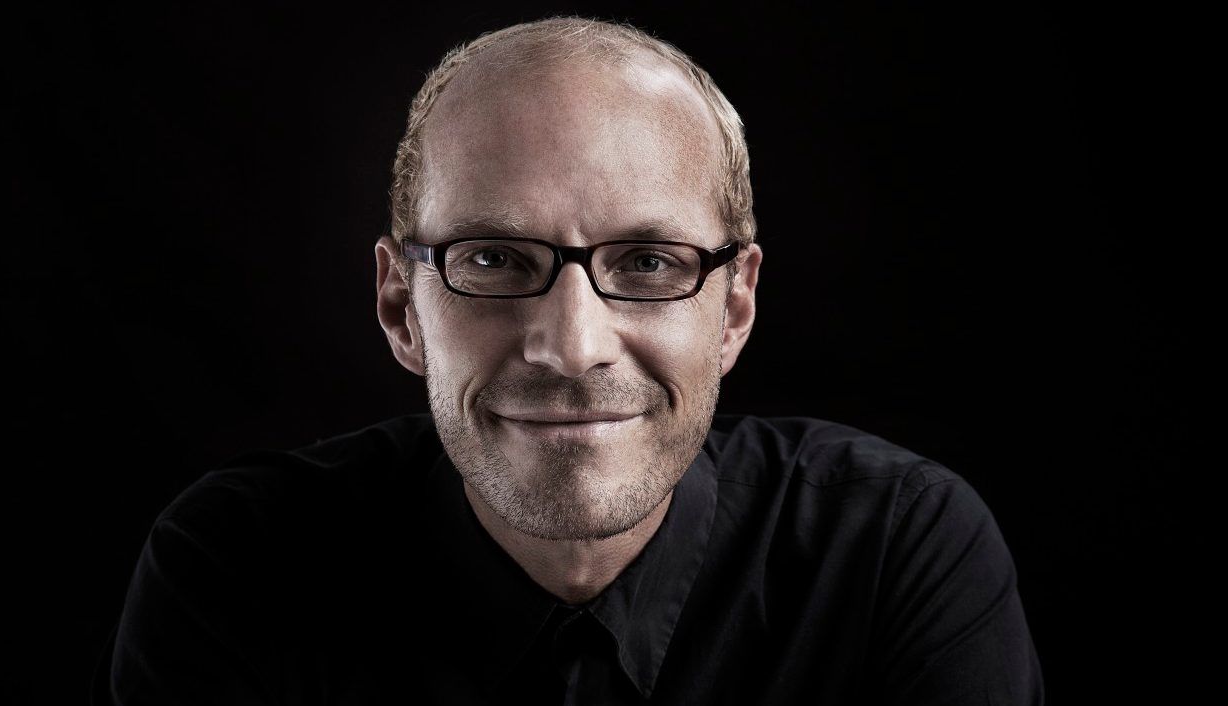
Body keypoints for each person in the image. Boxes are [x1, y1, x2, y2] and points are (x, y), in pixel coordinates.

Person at [100, 16, 1043, 705]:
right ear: (400, 307)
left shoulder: (894, 553)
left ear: (735, 305)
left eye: (647, 263)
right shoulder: (235, 569)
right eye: (493, 259)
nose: (572, 345)